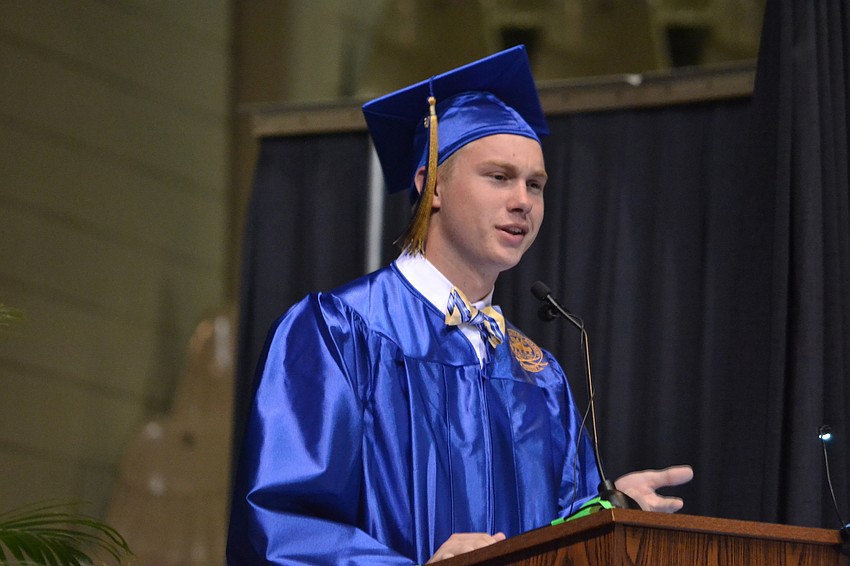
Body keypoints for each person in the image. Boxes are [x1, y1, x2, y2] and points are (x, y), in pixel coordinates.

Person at [227, 46, 693, 565]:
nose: (523, 200)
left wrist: (609, 512)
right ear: (431, 186)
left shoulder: (539, 377)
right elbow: (281, 530)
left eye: (535, 184)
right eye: (499, 177)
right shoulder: (340, 332)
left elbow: (557, 536)